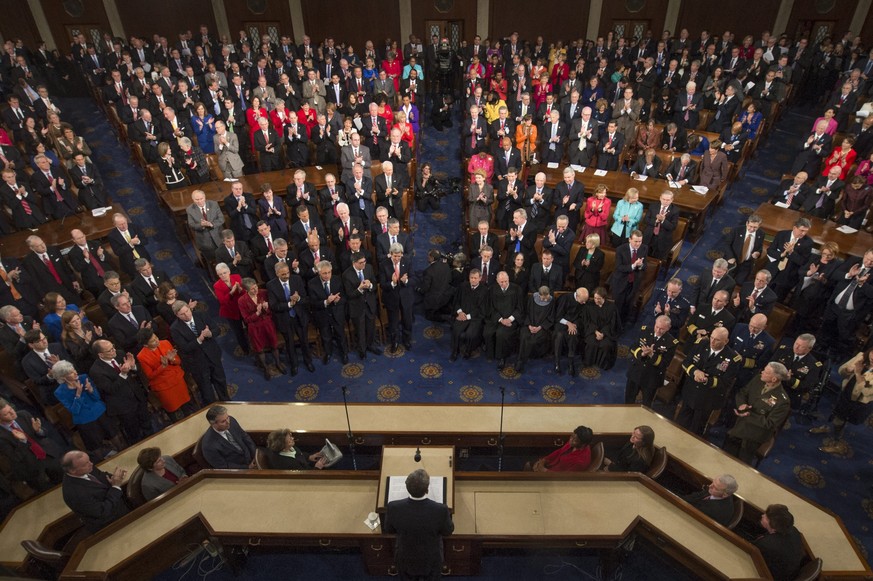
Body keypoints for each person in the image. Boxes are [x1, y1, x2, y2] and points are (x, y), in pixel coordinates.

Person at [383, 469, 455, 581]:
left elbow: (389, 530)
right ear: (427, 490)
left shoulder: (393, 507)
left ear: (407, 488)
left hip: (405, 559)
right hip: (431, 560)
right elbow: (448, 531)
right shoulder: (440, 510)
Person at [677, 327, 741, 434]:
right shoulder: (701, 344)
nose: (712, 341)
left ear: (726, 341)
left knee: (695, 432)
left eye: (717, 340)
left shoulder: (733, 358)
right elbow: (686, 363)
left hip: (707, 400)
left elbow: (726, 383)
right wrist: (695, 372)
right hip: (690, 393)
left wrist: (707, 380)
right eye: (712, 337)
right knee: (679, 425)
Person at [725, 362, 791, 464]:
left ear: (774, 379)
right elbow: (742, 393)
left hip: (754, 435)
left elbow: (770, 424)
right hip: (738, 426)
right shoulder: (757, 379)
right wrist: (742, 405)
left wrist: (748, 414)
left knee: (740, 464)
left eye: (766, 372)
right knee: (725, 455)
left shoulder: (783, 401)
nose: (762, 372)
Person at [810, 347, 873, 453]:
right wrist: (848, 370)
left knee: (844, 422)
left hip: (859, 403)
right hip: (846, 392)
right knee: (835, 412)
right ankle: (826, 427)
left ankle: (837, 444)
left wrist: (857, 373)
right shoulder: (861, 356)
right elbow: (841, 371)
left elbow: (867, 392)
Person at [170, 300, 230, 404]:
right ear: (177, 315)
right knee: (207, 392)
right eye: (182, 314)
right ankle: (214, 409)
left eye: (187, 311)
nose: (187, 315)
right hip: (197, 362)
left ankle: (228, 403)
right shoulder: (174, 328)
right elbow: (185, 347)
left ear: (189, 308)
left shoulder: (200, 314)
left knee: (220, 382)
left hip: (212, 355)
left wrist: (210, 333)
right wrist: (200, 339)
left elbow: (217, 329)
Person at [0, 398, 63, 491]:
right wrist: (22, 441)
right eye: (6, 414)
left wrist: (39, 431)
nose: (12, 413)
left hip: (48, 454)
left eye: (11, 409)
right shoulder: (1, 436)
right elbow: (15, 458)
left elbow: (44, 434)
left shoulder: (23, 414)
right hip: (30, 468)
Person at [61, 450, 129, 533]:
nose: (91, 464)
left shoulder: (87, 467)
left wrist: (114, 478)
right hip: (109, 526)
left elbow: (101, 476)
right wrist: (115, 487)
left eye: (89, 460)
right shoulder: (74, 493)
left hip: (121, 509)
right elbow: (102, 512)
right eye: (85, 464)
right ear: (72, 471)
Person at [135, 329, 195, 419]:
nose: (156, 340)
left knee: (185, 404)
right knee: (172, 408)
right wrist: (162, 366)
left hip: (176, 377)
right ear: (145, 345)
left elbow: (178, 361)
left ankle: (190, 416)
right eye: (153, 341)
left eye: (155, 337)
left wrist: (172, 359)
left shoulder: (165, 343)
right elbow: (150, 376)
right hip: (162, 384)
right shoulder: (141, 356)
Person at [625, 315, 678, 406]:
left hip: (652, 377)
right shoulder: (645, 330)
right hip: (636, 371)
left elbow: (665, 363)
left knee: (646, 404)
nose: (658, 331)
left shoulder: (671, 342)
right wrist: (641, 354)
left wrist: (652, 355)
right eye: (656, 327)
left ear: (668, 328)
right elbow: (633, 347)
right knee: (628, 399)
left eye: (662, 329)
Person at [238, 278, 283, 379]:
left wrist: (267, 309)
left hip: (267, 324)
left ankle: (278, 363)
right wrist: (257, 313)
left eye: (256, 287)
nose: (256, 290)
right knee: (260, 350)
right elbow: (246, 319)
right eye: (252, 289)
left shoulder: (264, 293)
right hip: (255, 328)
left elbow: (273, 309)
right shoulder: (242, 301)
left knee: (274, 345)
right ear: (246, 290)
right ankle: (266, 368)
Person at [754, 504, 805, 581]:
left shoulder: (766, 545)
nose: (762, 516)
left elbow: (752, 553)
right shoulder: (794, 530)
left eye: (766, 518)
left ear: (774, 526)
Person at [200, 405, 256, 469]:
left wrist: (254, 455)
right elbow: (223, 466)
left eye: (227, 417)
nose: (228, 422)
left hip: (251, 458)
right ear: (213, 424)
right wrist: (247, 467)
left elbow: (245, 437)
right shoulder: (208, 445)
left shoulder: (232, 421)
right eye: (223, 421)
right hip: (239, 471)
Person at [515, 286, 555, 373]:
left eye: (546, 298)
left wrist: (540, 327)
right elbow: (526, 313)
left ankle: (525, 359)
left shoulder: (551, 302)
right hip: (529, 324)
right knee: (524, 336)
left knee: (533, 340)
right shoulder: (531, 299)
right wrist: (529, 325)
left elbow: (551, 318)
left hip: (543, 328)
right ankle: (520, 360)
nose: (545, 300)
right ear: (539, 295)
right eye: (543, 298)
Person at [526, 426, 594, 471]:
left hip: (552, 477)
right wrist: (544, 460)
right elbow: (559, 451)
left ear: (583, 444)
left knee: (528, 468)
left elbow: (564, 477)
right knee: (528, 464)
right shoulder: (574, 443)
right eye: (572, 436)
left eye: (575, 440)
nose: (571, 440)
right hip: (550, 464)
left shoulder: (580, 462)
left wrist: (543, 470)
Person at [584, 287, 620, 370]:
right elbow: (587, 321)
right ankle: (589, 362)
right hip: (592, 331)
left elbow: (612, 324)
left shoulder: (612, 307)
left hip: (607, 332)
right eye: (595, 298)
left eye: (598, 299)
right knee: (591, 343)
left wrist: (603, 333)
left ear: (604, 297)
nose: (596, 300)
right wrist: (595, 331)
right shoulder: (589, 305)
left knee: (606, 345)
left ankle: (602, 364)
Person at [263, 428, 327, 470]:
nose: (292, 438)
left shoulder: (290, 447)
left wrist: (309, 457)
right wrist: (317, 468)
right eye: (289, 440)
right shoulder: (288, 463)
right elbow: (305, 476)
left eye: (290, 437)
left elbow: (298, 455)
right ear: (283, 447)